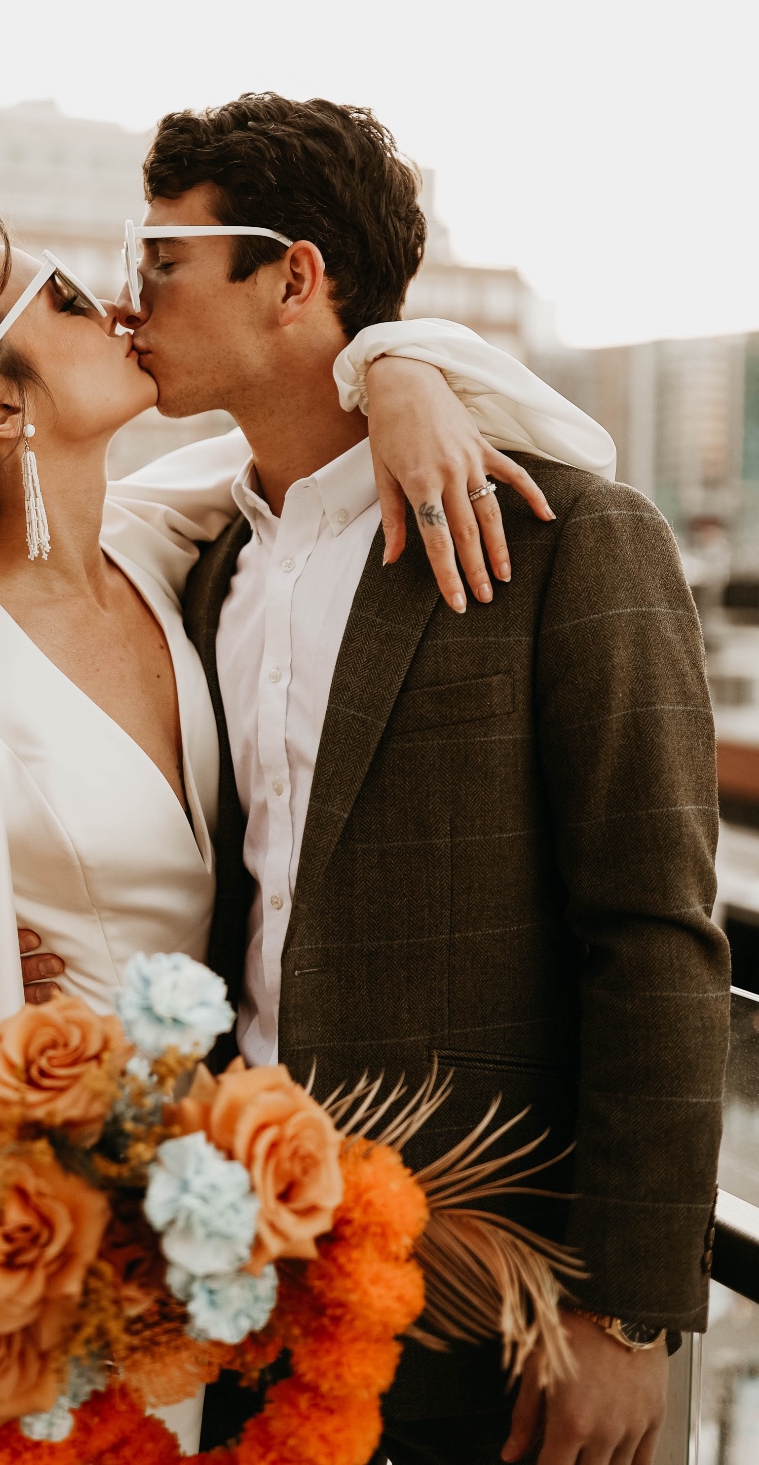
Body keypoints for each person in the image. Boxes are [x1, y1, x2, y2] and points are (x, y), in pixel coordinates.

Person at [0, 210, 606, 1464]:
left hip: (214, 1246)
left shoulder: (147, 547)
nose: (118, 307)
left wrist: (393, 367)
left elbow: (342, 436)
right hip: (57, 1246)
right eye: (67, 299)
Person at [104, 93, 731, 1465]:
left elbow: (657, 935)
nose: (124, 299)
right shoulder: (207, 566)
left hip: (481, 1312)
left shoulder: (574, 543)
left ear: (294, 279)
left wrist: (627, 1315)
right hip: (238, 1281)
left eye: (162, 260)